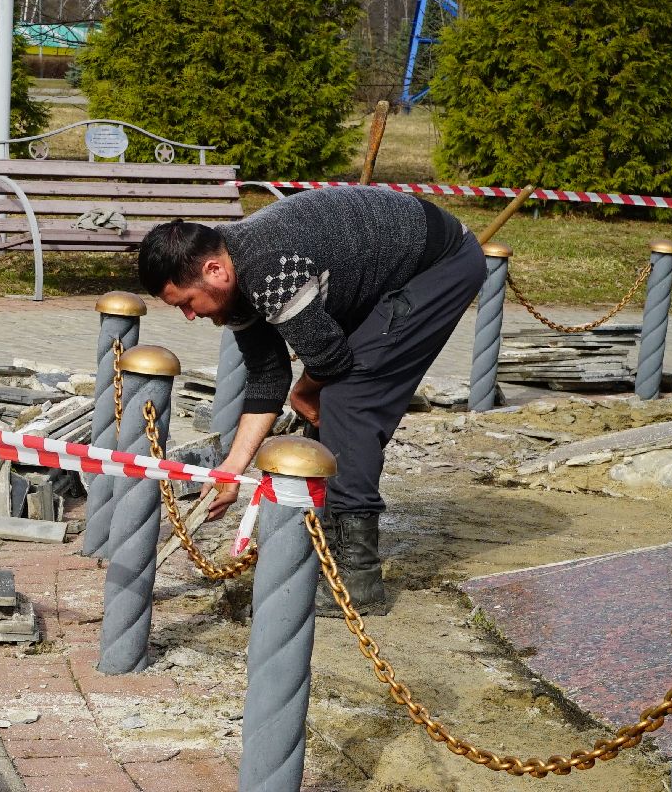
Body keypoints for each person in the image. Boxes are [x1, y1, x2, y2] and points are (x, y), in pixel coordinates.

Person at [136, 185, 483, 615]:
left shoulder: (267, 270)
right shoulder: (233, 277)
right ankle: (325, 541)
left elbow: (330, 359)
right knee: (328, 408)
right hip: (390, 268)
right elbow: (268, 375)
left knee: (348, 400)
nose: (190, 316)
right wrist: (231, 469)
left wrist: (304, 390)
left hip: (441, 265)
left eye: (187, 303)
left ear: (214, 271)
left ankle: (357, 578)